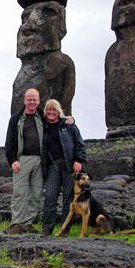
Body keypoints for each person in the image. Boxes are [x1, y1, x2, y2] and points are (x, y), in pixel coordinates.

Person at [4, 89, 74, 234]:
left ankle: (28, 223)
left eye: (34, 100)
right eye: (29, 99)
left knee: (36, 193)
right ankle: (16, 223)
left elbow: (57, 119)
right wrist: (13, 160)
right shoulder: (16, 118)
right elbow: (9, 142)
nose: (32, 102)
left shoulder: (42, 116)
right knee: (19, 192)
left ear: (38, 101)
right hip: (22, 159)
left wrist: (71, 119)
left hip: (41, 160)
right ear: (24, 101)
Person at [40, 99, 86, 236]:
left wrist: (79, 160)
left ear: (58, 111)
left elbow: (79, 143)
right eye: (49, 109)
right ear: (45, 112)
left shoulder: (68, 125)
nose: (51, 112)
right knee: (49, 197)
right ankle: (46, 229)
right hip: (52, 165)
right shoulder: (43, 126)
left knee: (68, 198)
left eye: (54, 109)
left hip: (69, 164)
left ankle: (65, 230)